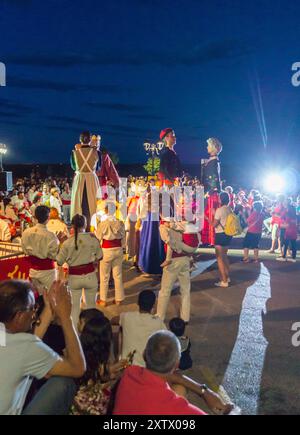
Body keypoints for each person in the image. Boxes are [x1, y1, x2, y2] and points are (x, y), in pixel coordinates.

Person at [0, 280, 86, 415]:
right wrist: (66, 317)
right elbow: (78, 367)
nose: (34, 314)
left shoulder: (9, 337)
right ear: (19, 316)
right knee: (63, 383)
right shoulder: (26, 348)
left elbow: (26, 345)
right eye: (33, 308)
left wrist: (49, 308)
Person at [113, 330, 233, 415]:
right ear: (177, 364)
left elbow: (173, 377)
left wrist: (203, 391)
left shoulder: (129, 373)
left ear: (144, 354)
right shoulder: (180, 410)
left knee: (179, 388)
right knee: (180, 389)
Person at [71, 316, 127, 415]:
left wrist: (111, 370)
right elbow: (92, 388)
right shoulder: (84, 361)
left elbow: (96, 374)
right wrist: (114, 380)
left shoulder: (82, 351)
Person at [56, 214, 103, 326]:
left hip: (74, 278)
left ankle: (75, 335)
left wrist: (59, 243)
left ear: (72, 225)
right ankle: (90, 333)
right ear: (85, 224)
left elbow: (59, 261)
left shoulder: (67, 243)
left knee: (74, 308)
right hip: (90, 275)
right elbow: (100, 256)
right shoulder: (91, 239)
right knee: (91, 306)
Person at [111, 290, 167, 367]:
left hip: (126, 366)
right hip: (146, 367)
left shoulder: (127, 317)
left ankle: (118, 358)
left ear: (138, 303)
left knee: (119, 331)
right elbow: (167, 339)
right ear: (154, 305)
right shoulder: (158, 322)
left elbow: (112, 320)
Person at [156, 226, 192, 323]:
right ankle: (185, 317)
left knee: (165, 290)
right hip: (185, 258)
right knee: (185, 290)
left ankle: (160, 316)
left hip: (173, 260)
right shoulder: (183, 225)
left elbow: (168, 241)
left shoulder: (165, 226)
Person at [21, 206, 60, 293]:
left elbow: (24, 249)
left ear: (35, 216)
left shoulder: (26, 232)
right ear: (48, 217)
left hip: (33, 270)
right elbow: (54, 256)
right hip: (48, 271)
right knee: (50, 298)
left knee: (36, 298)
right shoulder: (51, 236)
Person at [96, 202, 125, 307]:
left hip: (106, 250)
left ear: (106, 210)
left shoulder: (103, 224)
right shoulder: (120, 223)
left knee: (104, 276)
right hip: (118, 249)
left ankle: (103, 300)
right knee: (118, 275)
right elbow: (123, 237)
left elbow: (98, 238)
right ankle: (119, 299)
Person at [70, 131, 101, 229]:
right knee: (92, 203)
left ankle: (78, 226)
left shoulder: (74, 153)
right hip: (91, 179)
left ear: (80, 140)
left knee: (78, 203)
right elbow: (98, 167)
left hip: (80, 179)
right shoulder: (96, 152)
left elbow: (73, 166)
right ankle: (92, 226)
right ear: (90, 139)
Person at [201, 138, 222, 246]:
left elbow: (214, 178)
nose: (207, 147)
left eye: (208, 145)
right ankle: (207, 239)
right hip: (208, 191)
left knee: (210, 214)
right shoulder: (212, 161)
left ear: (213, 148)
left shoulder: (214, 162)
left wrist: (209, 191)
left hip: (210, 193)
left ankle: (211, 239)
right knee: (207, 214)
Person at [212, 191, 232, 288]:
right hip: (228, 234)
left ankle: (224, 281)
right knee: (224, 256)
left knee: (219, 258)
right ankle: (227, 277)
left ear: (220, 199)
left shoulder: (219, 210)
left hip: (220, 235)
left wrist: (209, 217)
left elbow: (214, 225)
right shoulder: (230, 209)